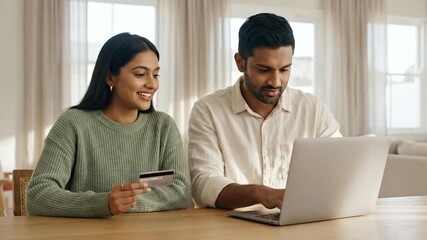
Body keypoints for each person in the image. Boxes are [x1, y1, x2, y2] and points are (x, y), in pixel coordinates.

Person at [26, 33, 192, 217]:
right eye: (140, 74)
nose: (152, 84)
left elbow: (180, 191)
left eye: (155, 74)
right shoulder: (73, 123)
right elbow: (38, 195)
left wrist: (124, 203)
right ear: (110, 77)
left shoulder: (163, 126)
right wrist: (103, 203)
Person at [188, 13, 342, 210]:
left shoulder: (312, 108)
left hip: (299, 225)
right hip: (232, 229)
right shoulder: (208, 110)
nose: (276, 82)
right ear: (240, 62)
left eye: (285, 70)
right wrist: (260, 194)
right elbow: (203, 184)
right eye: (264, 69)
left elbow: (340, 167)